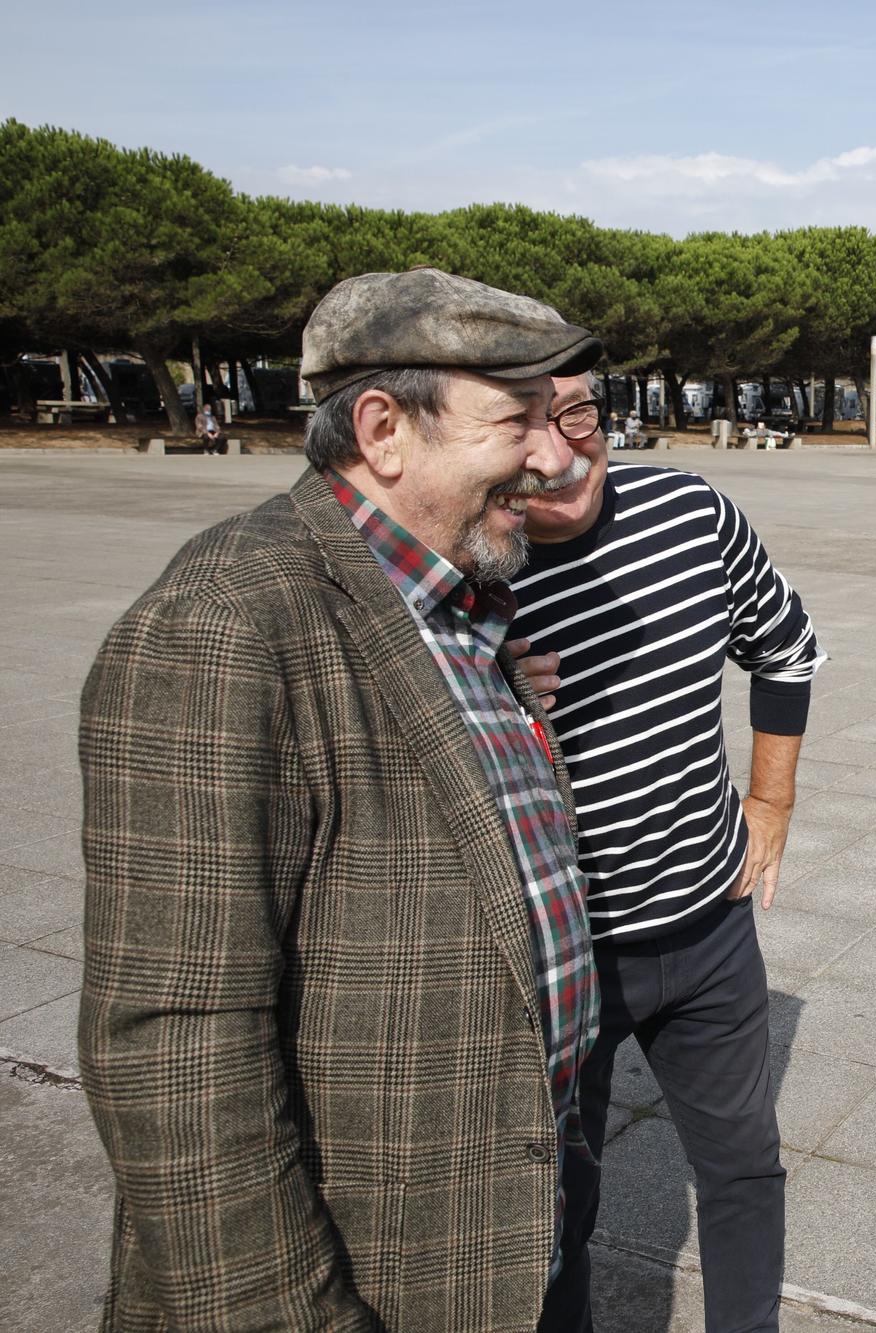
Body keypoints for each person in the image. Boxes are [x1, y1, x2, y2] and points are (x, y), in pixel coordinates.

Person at [77, 267, 604, 1330]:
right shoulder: (224, 623)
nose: (555, 459)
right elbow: (174, 1044)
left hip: (505, 1236)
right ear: (382, 429)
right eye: (516, 423)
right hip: (366, 1278)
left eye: (559, 419)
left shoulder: (456, 593)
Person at [508, 371, 824, 1333]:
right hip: (559, 954)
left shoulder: (690, 512)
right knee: (553, 1205)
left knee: (741, 1172)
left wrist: (769, 799)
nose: (562, 449)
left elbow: (789, 645)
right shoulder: (465, 558)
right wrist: (483, 690)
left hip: (709, 926)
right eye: (525, 423)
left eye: (578, 411)